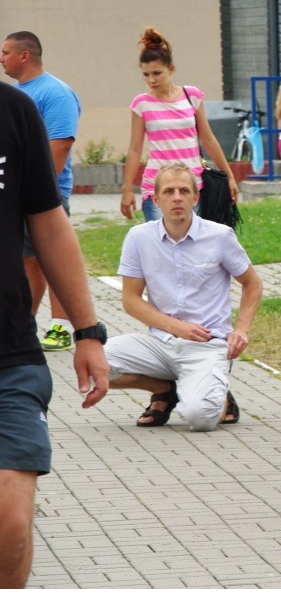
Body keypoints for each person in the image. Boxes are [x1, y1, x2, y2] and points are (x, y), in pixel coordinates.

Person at [0, 82, 109, 588]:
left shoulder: (14, 110)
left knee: (10, 528)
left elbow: (48, 222)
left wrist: (87, 330)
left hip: (9, 354)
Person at [104, 162, 263, 431]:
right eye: (168, 191)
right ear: (155, 199)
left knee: (199, 418)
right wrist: (176, 327)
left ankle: (215, 388)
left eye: (183, 190)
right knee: (92, 364)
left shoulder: (220, 236)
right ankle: (163, 389)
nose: (176, 197)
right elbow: (131, 300)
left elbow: (253, 284)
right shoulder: (138, 238)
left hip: (207, 345)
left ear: (195, 197)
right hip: (160, 343)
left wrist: (242, 330)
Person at [0, 31, 81, 352]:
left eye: (5, 52)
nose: (1, 58)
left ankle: (60, 327)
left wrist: (36, 193)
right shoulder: (17, 93)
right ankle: (21, 324)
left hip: (46, 196)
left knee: (49, 259)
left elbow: (59, 147)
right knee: (26, 261)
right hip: (16, 194)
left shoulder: (55, 93)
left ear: (25, 56)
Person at [122, 27, 238, 222]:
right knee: (161, 248)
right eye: (146, 74)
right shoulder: (141, 104)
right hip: (157, 187)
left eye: (157, 73)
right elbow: (134, 149)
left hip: (192, 185)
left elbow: (208, 139)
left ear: (171, 69)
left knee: (196, 247)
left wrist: (230, 176)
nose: (152, 80)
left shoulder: (191, 96)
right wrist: (126, 190)